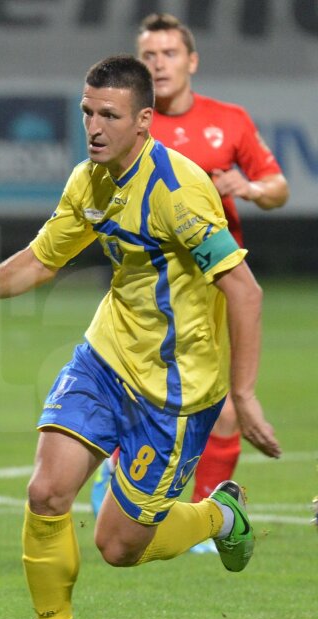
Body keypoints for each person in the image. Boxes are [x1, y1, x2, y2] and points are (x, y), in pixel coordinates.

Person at [0, 55, 281, 619]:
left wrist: (243, 395)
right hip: (106, 358)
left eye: (109, 115)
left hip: (176, 390)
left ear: (143, 121)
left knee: (119, 546)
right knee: (47, 491)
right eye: (87, 111)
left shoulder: (178, 193)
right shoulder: (88, 180)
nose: (93, 125)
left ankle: (221, 516)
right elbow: (41, 260)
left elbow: (244, 289)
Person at [94, 13, 290, 528]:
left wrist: (247, 188)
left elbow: (278, 188)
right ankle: (178, 504)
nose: (159, 64)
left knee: (220, 410)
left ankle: (199, 512)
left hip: (217, 285)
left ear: (192, 61)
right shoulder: (131, 123)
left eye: (169, 53)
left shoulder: (229, 121)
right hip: (153, 288)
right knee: (161, 398)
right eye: (149, 56)